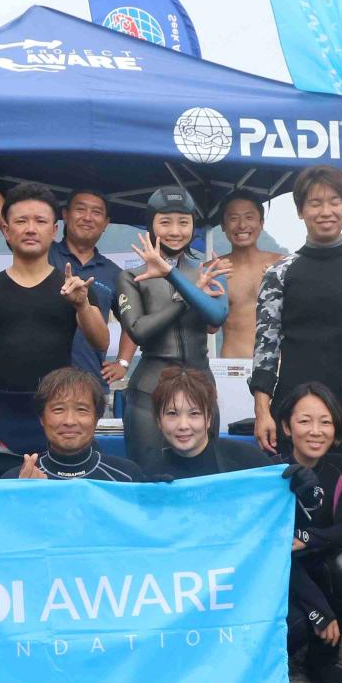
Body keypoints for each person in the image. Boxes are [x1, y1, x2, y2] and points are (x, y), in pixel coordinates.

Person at [250, 164, 342, 651]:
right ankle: (284, 614)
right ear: (301, 211)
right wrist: (264, 407)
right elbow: (266, 344)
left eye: (334, 201)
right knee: (288, 511)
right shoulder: (280, 273)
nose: (326, 210)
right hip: (296, 414)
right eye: (315, 202)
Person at [0, 186, 109, 464]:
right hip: (2, 410)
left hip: (58, 410)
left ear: (54, 231)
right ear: (6, 230)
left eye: (40, 221)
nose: (31, 229)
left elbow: (100, 342)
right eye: (21, 221)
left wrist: (81, 304)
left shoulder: (74, 286)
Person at [0, 156, 121, 385]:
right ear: (64, 217)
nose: (87, 217)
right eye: (80, 209)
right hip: (21, 390)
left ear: (106, 222)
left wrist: (123, 362)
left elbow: (131, 322)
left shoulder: (114, 272)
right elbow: (3, 212)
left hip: (88, 384)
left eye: (96, 212)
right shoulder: (44, 251)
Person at [115, 186, 230, 468]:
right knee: (149, 477)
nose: (175, 231)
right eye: (165, 222)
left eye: (184, 222)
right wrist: (186, 294)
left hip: (201, 386)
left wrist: (172, 276)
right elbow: (139, 331)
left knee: (205, 477)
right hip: (148, 390)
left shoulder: (209, 267)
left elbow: (216, 316)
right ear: (151, 225)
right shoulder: (131, 276)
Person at [275, 382, 342, 683]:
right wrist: (319, 609)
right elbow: (276, 553)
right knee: (297, 627)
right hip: (283, 576)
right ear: (287, 427)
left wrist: (306, 537)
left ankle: (323, 659)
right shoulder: (273, 472)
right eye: (304, 421)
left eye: (325, 422)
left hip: (321, 564)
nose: (316, 431)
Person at [3, 367, 146, 481]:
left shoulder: (127, 476)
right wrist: (23, 496)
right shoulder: (15, 480)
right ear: (42, 418)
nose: (69, 421)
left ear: (96, 418)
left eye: (81, 410)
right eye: (58, 410)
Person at [149, 366, 271, 480]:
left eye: (194, 414)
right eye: (172, 414)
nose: (183, 425)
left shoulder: (249, 462)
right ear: (158, 420)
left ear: (208, 419)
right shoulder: (151, 478)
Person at [217, 192, 282, 361]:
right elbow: (208, 328)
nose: (242, 225)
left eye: (249, 217)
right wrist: (207, 286)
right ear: (223, 225)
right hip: (232, 368)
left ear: (261, 223)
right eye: (233, 218)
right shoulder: (213, 270)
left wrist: (280, 284)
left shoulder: (282, 266)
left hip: (277, 367)